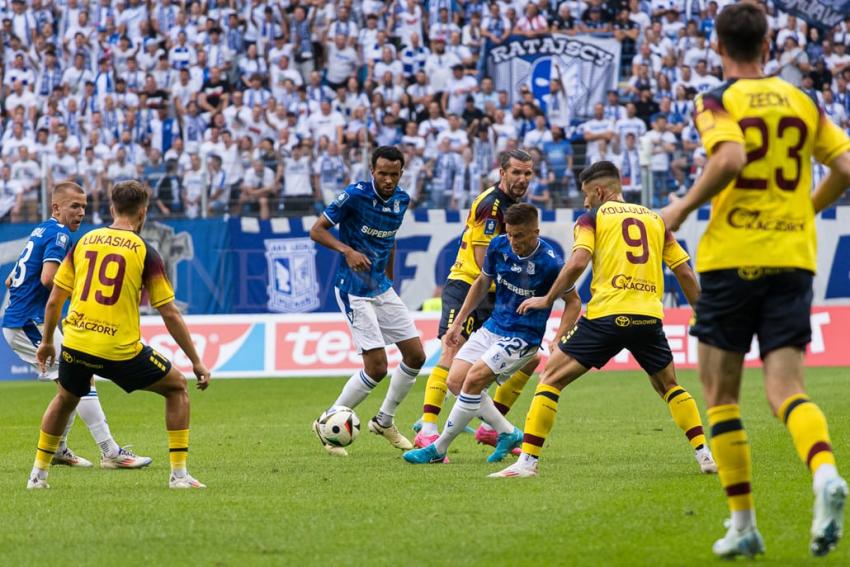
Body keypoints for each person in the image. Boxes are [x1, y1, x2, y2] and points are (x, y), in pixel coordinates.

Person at [661, 3, 849, 559]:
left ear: (718, 48)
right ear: (768, 45)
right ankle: (823, 473)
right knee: (787, 391)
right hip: (793, 259)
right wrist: (804, 212)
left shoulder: (717, 99)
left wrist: (682, 207)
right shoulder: (804, 100)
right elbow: (844, 168)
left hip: (730, 260)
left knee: (720, 394)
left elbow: (730, 157)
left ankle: (743, 522)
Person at [492, 161, 715, 479]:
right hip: (648, 317)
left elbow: (577, 262)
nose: (584, 202)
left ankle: (527, 463)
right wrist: (703, 314)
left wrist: (547, 298)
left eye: (586, 194)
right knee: (669, 386)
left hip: (606, 316)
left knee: (550, 380)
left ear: (599, 191)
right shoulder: (655, 220)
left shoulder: (592, 218)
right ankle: (704, 454)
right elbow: (683, 271)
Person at [29, 180, 211, 490]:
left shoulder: (84, 241)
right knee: (177, 388)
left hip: (76, 343)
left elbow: (54, 300)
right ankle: (179, 476)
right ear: (143, 212)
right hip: (119, 350)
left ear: (112, 208)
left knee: (66, 397)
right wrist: (196, 362)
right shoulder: (144, 251)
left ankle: (38, 476)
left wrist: (47, 342)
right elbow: (168, 312)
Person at [403, 203, 580, 464]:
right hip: (493, 327)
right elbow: (483, 282)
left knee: (473, 380)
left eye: (519, 236)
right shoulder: (498, 246)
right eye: (509, 234)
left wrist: (556, 339)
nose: (513, 241)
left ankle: (438, 449)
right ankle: (508, 433)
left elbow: (573, 302)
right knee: (455, 381)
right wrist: (458, 322)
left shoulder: (551, 263)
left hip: (522, 337)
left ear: (536, 232)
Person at [4, 182, 151, 470]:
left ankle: (59, 448)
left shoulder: (41, 230)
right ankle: (110, 451)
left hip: (26, 319)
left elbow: (10, 279)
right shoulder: (58, 235)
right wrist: (85, 295)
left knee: (75, 382)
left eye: (84, 206)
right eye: (74, 206)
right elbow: (49, 279)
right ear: (56, 207)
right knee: (77, 382)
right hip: (28, 323)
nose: (81, 212)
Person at [413, 149, 538, 451]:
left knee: (530, 357)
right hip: (469, 284)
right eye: (516, 172)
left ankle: (489, 428)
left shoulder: (514, 206)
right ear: (502, 172)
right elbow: (485, 264)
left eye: (527, 173)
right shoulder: (490, 205)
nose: (522, 179)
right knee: (452, 350)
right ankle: (428, 429)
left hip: (496, 293)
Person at [309, 146, 426, 456]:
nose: (388, 179)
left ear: (402, 174)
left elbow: (390, 242)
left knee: (416, 356)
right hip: (353, 289)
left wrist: (391, 281)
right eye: (382, 173)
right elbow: (316, 230)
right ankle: (327, 421)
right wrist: (346, 250)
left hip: (382, 288)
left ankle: (384, 421)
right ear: (372, 171)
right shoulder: (354, 195)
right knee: (376, 368)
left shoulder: (401, 200)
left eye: (394, 174)